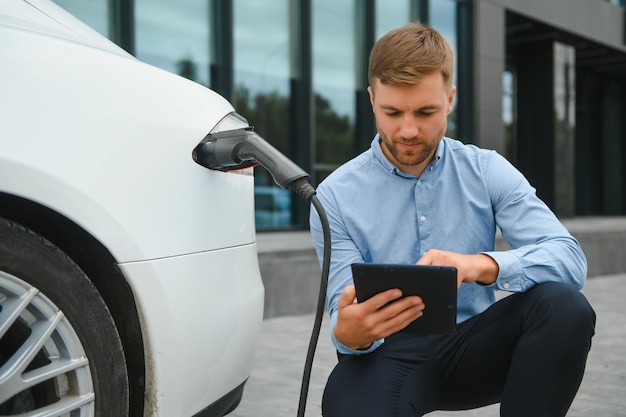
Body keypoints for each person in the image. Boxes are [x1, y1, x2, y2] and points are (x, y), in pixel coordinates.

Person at [309, 22, 596, 417]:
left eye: (426, 111)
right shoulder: (334, 196)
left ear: (450, 99)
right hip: (385, 357)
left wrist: (480, 264)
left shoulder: (487, 170)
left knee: (565, 307)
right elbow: (343, 312)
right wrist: (347, 334)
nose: (408, 130)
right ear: (372, 100)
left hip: (477, 349)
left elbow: (569, 259)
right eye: (392, 112)